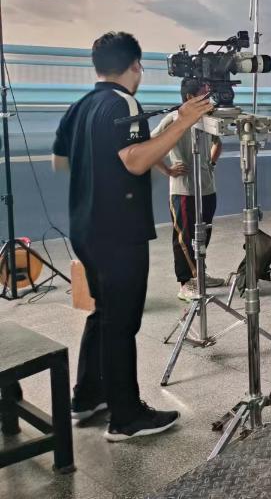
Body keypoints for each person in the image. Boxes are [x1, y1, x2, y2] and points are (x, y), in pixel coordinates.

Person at [52, 32, 214, 441]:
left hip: (86, 228)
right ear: (135, 66)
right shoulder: (123, 103)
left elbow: (60, 161)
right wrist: (184, 121)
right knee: (122, 322)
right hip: (117, 232)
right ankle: (125, 417)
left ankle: (88, 396)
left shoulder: (80, 106)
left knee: (103, 312)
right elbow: (136, 161)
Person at [152, 79, 225, 301]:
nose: (208, 98)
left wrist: (211, 164)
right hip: (183, 190)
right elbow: (150, 145)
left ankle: (199, 274)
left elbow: (218, 142)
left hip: (207, 188)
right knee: (184, 238)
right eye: (203, 94)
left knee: (204, 233)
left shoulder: (208, 119)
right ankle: (185, 283)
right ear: (189, 97)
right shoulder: (173, 119)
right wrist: (168, 170)